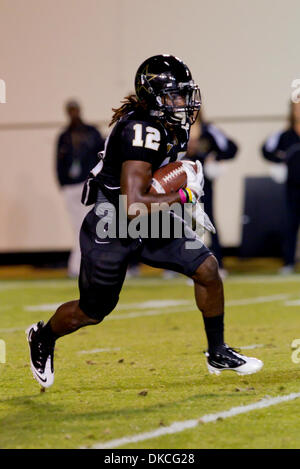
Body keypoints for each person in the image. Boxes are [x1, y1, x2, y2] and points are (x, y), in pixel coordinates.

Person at [27, 55, 263, 388]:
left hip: (146, 217)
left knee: (207, 270)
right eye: (175, 95)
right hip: (112, 223)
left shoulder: (170, 126)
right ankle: (43, 336)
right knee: (92, 311)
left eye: (185, 94)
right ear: (153, 96)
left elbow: (153, 185)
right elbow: (134, 205)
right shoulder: (141, 130)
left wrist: (182, 183)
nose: (183, 102)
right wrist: (184, 197)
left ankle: (217, 351)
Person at [185, 110, 238, 277]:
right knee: (188, 224)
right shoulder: (178, 129)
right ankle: (189, 267)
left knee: (207, 221)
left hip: (203, 185)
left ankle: (218, 265)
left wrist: (214, 157)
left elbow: (231, 147)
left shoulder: (209, 129)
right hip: (182, 184)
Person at [56, 100, 105, 277]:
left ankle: (83, 266)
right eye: (70, 111)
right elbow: (58, 164)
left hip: (88, 185)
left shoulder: (92, 132)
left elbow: (103, 157)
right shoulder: (65, 136)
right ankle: (78, 266)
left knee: (91, 226)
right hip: (71, 187)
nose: (73, 113)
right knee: (78, 226)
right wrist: (63, 185)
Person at [262, 101, 300, 274]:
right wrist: (280, 161)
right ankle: (289, 262)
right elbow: (266, 149)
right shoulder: (285, 135)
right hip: (293, 186)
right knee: (290, 224)